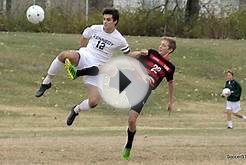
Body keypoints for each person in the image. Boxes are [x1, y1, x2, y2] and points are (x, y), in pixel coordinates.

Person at [65, 36, 176, 160]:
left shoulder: (170, 67)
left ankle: (128, 146)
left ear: (170, 50)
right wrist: (139, 53)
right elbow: (130, 56)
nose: (160, 47)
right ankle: (77, 73)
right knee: (108, 69)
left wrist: (170, 102)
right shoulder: (151, 53)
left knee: (132, 121)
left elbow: (170, 83)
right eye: (160, 44)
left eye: (164, 46)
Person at [35, 8, 130, 126]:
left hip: (98, 68)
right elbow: (84, 37)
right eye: (104, 19)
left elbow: (128, 54)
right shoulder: (95, 28)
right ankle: (46, 82)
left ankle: (76, 110)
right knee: (64, 55)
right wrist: (81, 49)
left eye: (108, 20)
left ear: (115, 22)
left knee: (94, 102)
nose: (105, 22)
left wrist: (141, 54)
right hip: (85, 56)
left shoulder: (119, 39)